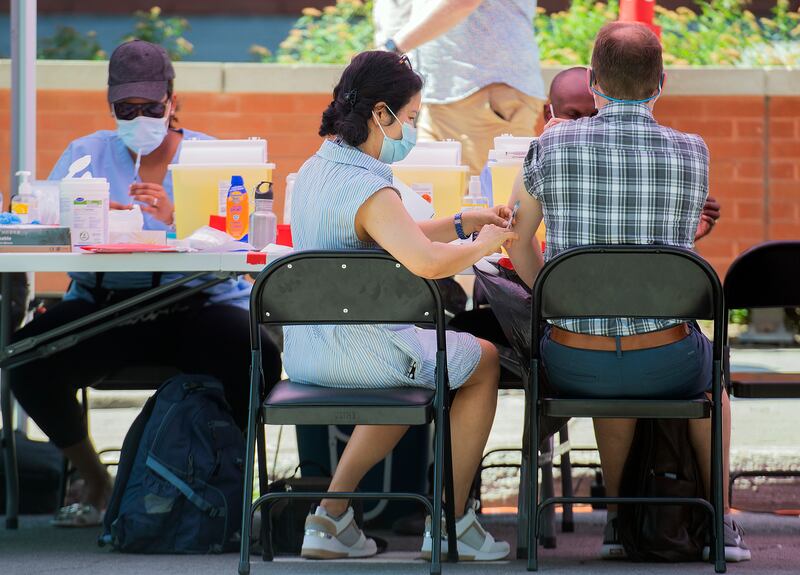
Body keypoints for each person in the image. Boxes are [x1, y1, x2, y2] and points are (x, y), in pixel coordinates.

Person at [9, 40, 282, 527]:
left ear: (172, 102)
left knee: (255, 354)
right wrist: (93, 216)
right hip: (106, 305)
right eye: (126, 109)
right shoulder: (85, 155)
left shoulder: (211, 158)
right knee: (28, 360)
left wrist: (178, 218)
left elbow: (246, 239)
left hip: (194, 304)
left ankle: (227, 481)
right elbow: (47, 225)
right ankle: (95, 479)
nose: (140, 118)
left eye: (151, 107)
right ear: (110, 107)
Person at [505, 23, 750, 562]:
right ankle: (724, 523)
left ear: (592, 81)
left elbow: (517, 241)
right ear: (661, 82)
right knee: (715, 384)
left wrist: (554, 296)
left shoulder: (550, 144)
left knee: (605, 371)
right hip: (667, 360)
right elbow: (671, 250)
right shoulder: (693, 152)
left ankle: (619, 521)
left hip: (573, 360)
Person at [286, 50, 516, 562]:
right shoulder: (370, 184)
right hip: (359, 354)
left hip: (307, 352)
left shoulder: (317, 169)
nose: (413, 128)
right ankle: (452, 521)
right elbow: (428, 263)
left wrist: (465, 222)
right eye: (411, 117)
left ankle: (330, 517)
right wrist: (488, 243)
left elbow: (395, 234)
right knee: (483, 360)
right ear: (381, 114)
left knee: (413, 369)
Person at [382, 0, 546, 175]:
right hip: (441, 98)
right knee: (436, 194)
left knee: (488, 198)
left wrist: (392, 49)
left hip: (483, 91)